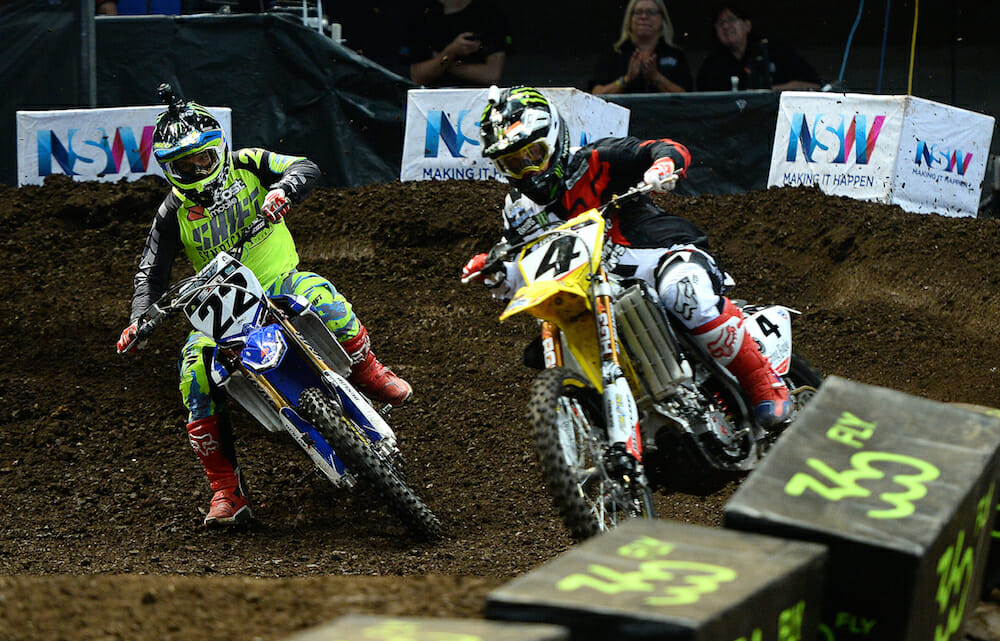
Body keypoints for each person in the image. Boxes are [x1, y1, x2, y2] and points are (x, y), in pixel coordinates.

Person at [116, 85, 412, 527]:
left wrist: (284, 191)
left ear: (219, 149)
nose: (196, 170)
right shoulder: (171, 211)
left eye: (203, 159)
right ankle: (226, 492)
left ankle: (370, 371)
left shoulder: (248, 163)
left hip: (278, 282)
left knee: (321, 295)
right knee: (193, 375)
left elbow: (304, 166)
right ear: (169, 169)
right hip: (219, 310)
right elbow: (149, 273)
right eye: (184, 165)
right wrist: (139, 319)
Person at [462, 85, 791, 471]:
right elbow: (524, 266)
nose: (528, 171)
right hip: (591, 292)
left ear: (554, 139)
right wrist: (497, 273)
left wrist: (662, 166)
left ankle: (763, 383)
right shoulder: (517, 210)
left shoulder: (596, 160)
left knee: (683, 295)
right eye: (513, 164)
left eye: (533, 155)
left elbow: (662, 148)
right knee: (558, 342)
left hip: (655, 255)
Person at [696, 2, 820, 92]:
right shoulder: (712, 64)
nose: (725, 26)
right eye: (720, 23)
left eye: (731, 19)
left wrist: (769, 92)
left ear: (747, 25)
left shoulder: (775, 53)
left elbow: (814, 84)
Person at [590, 0, 692, 95]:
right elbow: (595, 95)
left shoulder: (675, 55)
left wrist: (656, 77)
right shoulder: (614, 54)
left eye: (651, 12)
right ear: (629, 19)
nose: (644, 17)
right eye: (638, 12)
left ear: (662, 19)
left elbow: (688, 98)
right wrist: (627, 79)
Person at [404, 0, 512, 88]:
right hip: (434, 98)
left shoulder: (489, 14)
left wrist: (442, 61)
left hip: (476, 97)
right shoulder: (424, 16)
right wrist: (451, 51)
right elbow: (418, 76)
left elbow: (492, 75)